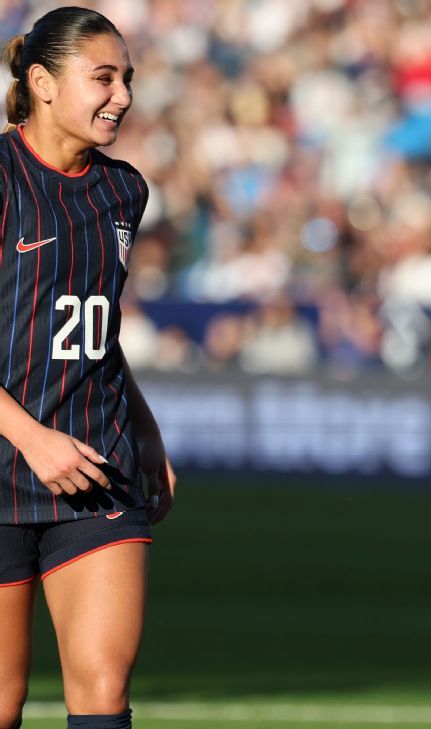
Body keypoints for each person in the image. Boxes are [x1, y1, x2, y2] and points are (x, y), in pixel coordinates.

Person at [0, 8, 174, 729]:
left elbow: (96, 331)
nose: (123, 96)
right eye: (102, 78)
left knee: (103, 687)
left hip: (97, 466)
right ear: (41, 83)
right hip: (8, 461)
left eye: (126, 79)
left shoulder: (123, 190)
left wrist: (147, 433)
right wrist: (33, 440)